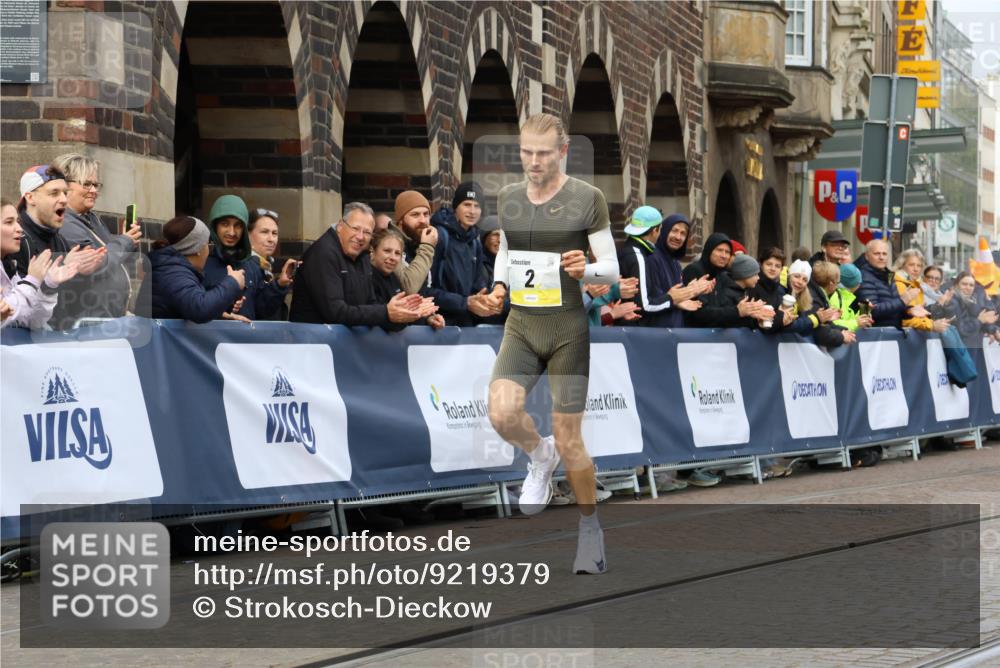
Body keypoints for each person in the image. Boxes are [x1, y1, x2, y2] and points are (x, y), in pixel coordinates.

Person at [480, 113, 620, 574]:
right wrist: (499, 289)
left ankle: (589, 532)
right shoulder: (509, 197)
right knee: (501, 412)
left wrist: (587, 272)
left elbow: (611, 270)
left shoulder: (588, 198)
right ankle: (538, 456)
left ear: (562, 152)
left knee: (569, 436)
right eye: (526, 152)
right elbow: (506, 252)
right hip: (522, 323)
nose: (533, 162)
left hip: (567, 329)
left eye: (543, 153)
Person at [289, 202, 430, 327]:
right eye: (355, 228)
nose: (361, 237)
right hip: (314, 347)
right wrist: (386, 313)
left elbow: (370, 305)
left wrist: (405, 315)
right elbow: (335, 312)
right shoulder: (324, 254)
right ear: (340, 226)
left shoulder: (362, 255)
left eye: (367, 232)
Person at [50, 153, 141, 329]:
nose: (93, 190)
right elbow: (98, 263)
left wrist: (129, 244)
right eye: (86, 184)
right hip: (88, 323)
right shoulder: (65, 223)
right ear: (64, 186)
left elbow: (117, 263)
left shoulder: (92, 219)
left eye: (95, 184)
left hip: (104, 320)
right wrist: (125, 241)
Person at [7, 166, 104, 322]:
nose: (64, 199)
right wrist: (61, 268)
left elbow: (72, 307)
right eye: (54, 193)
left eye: (65, 193)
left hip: (57, 337)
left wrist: (81, 273)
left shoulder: (59, 240)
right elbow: (20, 308)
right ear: (30, 198)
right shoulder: (17, 241)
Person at [202, 195, 294, 321]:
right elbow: (191, 306)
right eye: (225, 224)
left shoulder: (251, 264)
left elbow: (262, 310)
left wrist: (279, 285)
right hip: (210, 339)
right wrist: (222, 314)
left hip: (246, 338)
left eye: (238, 225)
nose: (232, 232)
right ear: (214, 226)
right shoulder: (201, 261)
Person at [141, 216, 246, 323]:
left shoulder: (170, 269)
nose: (208, 250)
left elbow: (184, 308)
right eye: (208, 245)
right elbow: (200, 309)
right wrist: (233, 282)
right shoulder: (173, 273)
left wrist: (220, 314)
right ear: (198, 249)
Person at [426, 181, 502, 326]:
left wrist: (484, 300)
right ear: (456, 207)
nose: (472, 211)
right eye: (467, 204)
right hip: (438, 324)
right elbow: (424, 290)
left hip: (466, 324)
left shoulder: (474, 243)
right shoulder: (439, 237)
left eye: (477, 206)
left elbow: (477, 288)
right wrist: (464, 302)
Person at [1, 198, 80, 328]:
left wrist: (49, 285)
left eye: (18, 222)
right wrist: (31, 280)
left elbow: (33, 322)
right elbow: (8, 316)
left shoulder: (8, 265)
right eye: (9, 222)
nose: (19, 229)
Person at [621, 208, 706, 327]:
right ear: (657, 230)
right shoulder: (642, 256)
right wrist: (672, 299)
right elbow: (645, 304)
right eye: (674, 230)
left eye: (683, 233)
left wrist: (687, 291)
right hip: (650, 334)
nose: (678, 237)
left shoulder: (673, 262)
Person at [369, 227, 444, 330]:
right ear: (372, 251)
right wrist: (410, 315)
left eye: (397, 253)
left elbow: (405, 314)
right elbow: (378, 318)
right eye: (387, 251)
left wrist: (428, 319)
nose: (392, 257)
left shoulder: (394, 278)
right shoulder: (365, 278)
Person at [686, 254, 774, 329]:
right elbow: (724, 321)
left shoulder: (745, 291)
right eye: (755, 274)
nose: (758, 278)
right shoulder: (725, 293)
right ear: (744, 273)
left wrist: (755, 319)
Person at [247, 207, 297, 321]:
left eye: (274, 233)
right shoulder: (247, 265)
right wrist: (279, 285)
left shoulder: (264, 264)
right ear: (248, 235)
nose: (271, 239)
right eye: (264, 232)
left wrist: (281, 283)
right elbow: (259, 310)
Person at [854, 239, 916, 328]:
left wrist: (908, 311)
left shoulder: (889, 275)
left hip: (891, 333)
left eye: (884, 254)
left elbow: (893, 307)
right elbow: (872, 311)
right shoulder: (863, 277)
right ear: (867, 256)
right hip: (874, 335)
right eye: (877, 253)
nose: (881, 257)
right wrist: (902, 301)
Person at [392, 191, 438, 294]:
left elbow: (427, 290)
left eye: (426, 214)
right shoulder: (391, 244)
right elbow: (410, 287)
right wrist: (427, 247)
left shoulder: (420, 241)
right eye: (415, 215)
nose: (423, 220)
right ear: (400, 221)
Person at [952, 271, 1000, 348]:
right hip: (960, 349)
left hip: (973, 347)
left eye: (971, 285)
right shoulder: (952, 302)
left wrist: (993, 330)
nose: (968, 287)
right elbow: (961, 329)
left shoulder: (972, 300)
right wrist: (980, 321)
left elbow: (984, 320)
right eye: (964, 284)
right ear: (957, 284)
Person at [827, 263, 874, 332]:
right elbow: (831, 324)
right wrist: (856, 323)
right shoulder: (834, 297)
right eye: (859, 282)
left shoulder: (845, 296)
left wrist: (864, 313)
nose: (860, 284)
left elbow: (848, 319)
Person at [750, 246, 788, 330]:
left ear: (782, 269)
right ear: (761, 264)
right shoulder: (753, 286)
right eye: (769, 264)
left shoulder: (781, 290)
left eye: (777, 266)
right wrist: (781, 318)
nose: (773, 269)